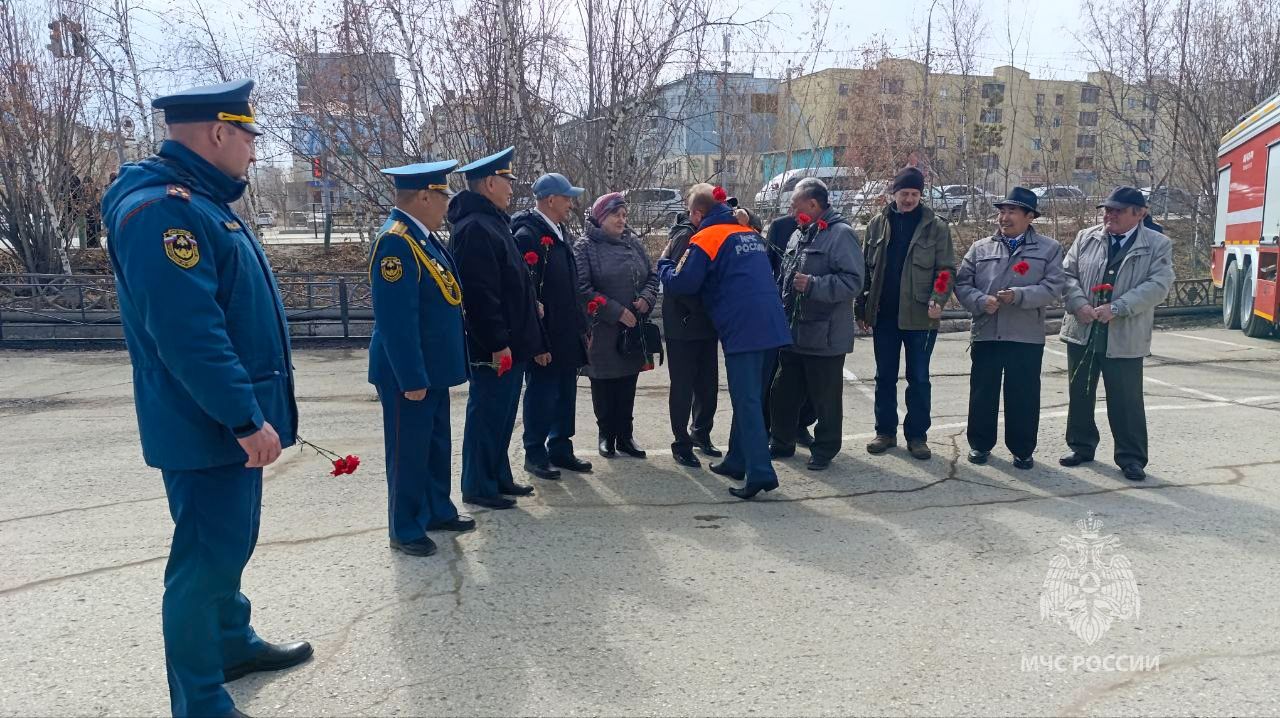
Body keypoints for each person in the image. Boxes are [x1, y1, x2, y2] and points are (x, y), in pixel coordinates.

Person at [101, 79, 311, 718]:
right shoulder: (162, 211)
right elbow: (189, 333)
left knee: (229, 545)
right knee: (203, 561)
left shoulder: (199, 199)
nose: (254, 150)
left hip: (222, 422)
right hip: (207, 425)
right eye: (249, 136)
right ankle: (198, 701)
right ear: (219, 132)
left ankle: (230, 644)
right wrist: (244, 417)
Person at [658, 184, 791, 500]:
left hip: (744, 329)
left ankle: (760, 473)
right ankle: (736, 460)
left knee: (746, 402)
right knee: (754, 398)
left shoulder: (706, 237)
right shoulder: (749, 233)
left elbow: (683, 283)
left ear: (697, 213)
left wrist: (663, 264)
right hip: (772, 325)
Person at [368, 161, 474, 557]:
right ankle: (405, 527)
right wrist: (411, 377)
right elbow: (396, 320)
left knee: (435, 445)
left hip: (434, 369)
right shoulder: (395, 242)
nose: (448, 203)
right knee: (408, 452)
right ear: (425, 196)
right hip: (409, 373)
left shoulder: (422, 238)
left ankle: (436, 510)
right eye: (444, 195)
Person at [448, 147, 547, 510]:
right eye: (507, 180)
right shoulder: (475, 227)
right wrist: (497, 342)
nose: (511, 188)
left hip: (511, 341)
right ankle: (478, 484)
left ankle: (498, 475)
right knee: (487, 414)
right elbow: (480, 295)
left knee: (503, 415)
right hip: (495, 345)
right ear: (490, 183)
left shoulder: (492, 222)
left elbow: (507, 281)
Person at [1059, 186, 1174, 481]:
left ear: (1140, 213)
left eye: (1118, 210)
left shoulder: (1157, 244)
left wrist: (1118, 307)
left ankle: (1131, 457)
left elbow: (1158, 285)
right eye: (1107, 209)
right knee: (1080, 393)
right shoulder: (1086, 237)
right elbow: (1066, 275)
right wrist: (1079, 304)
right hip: (1083, 329)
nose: (1109, 215)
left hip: (1125, 334)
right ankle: (1081, 445)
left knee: (1126, 400)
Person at [953, 187, 1065, 470]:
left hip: (1025, 335)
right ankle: (980, 444)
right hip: (986, 332)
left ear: (1030, 216)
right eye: (1002, 211)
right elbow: (962, 283)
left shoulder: (1049, 249)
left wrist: (1019, 295)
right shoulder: (981, 248)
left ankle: (1022, 450)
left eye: (1012, 211)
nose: (1004, 217)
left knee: (1023, 395)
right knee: (983, 393)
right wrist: (980, 301)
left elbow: (1053, 287)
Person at [856, 166, 955, 460]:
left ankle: (917, 436)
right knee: (884, 377)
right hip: (885, 315)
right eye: (904, 193)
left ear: (921, 195)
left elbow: (945, 270)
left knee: (919, 379)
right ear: (894, 193)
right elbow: (865, 271)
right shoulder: (877, 224)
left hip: (921, 317)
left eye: (914, 194)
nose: (909, 199)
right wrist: (861, 308)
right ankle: (885, 432)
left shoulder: (936, 227)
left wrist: (938, 298)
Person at [769, 178, 865, 471]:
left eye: (794, 206)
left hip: (825, 336)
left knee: (825, 399)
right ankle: (782, 441)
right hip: (794, 333)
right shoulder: (799, 234)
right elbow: (785, 276)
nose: (791, 211)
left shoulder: (841, 235)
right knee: (783, 392)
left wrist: (813, 284)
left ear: (812, 205)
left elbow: (853, 282)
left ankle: (824, 449)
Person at [511, 173, 593, 479]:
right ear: (550, 200)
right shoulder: (528, 235)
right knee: (542, 395)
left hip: (567, 331)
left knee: (565, 394)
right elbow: (527, 294)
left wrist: (582, 326)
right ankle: (534, 452)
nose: (571, 204)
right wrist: (537, 342)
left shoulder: (558, 231)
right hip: (546, 335)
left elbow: (570, 285)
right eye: (567, 198)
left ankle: (560, 447)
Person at [574, 192, 659, 459]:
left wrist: (646, 298)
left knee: (627, 381)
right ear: (600, 218)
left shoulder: (633, 243)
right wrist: (616, 311)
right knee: (603, 384)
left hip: (632, 329)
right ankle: (606, 435)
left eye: (624, 215)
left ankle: (625, 436)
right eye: (615, 215)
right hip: (601, 330)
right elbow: (582, 288)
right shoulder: (585, 246)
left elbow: (652, 276)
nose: (622, 220)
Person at [659, 211, 722, 468]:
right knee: (683, 387)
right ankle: (681, 443)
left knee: (708, 385)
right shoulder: (685, 236)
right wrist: (706, 305)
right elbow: (678, 283)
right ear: (697, 214)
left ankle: (701, 433)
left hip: (704, 324)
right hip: (684, 325)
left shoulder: (706, 234)